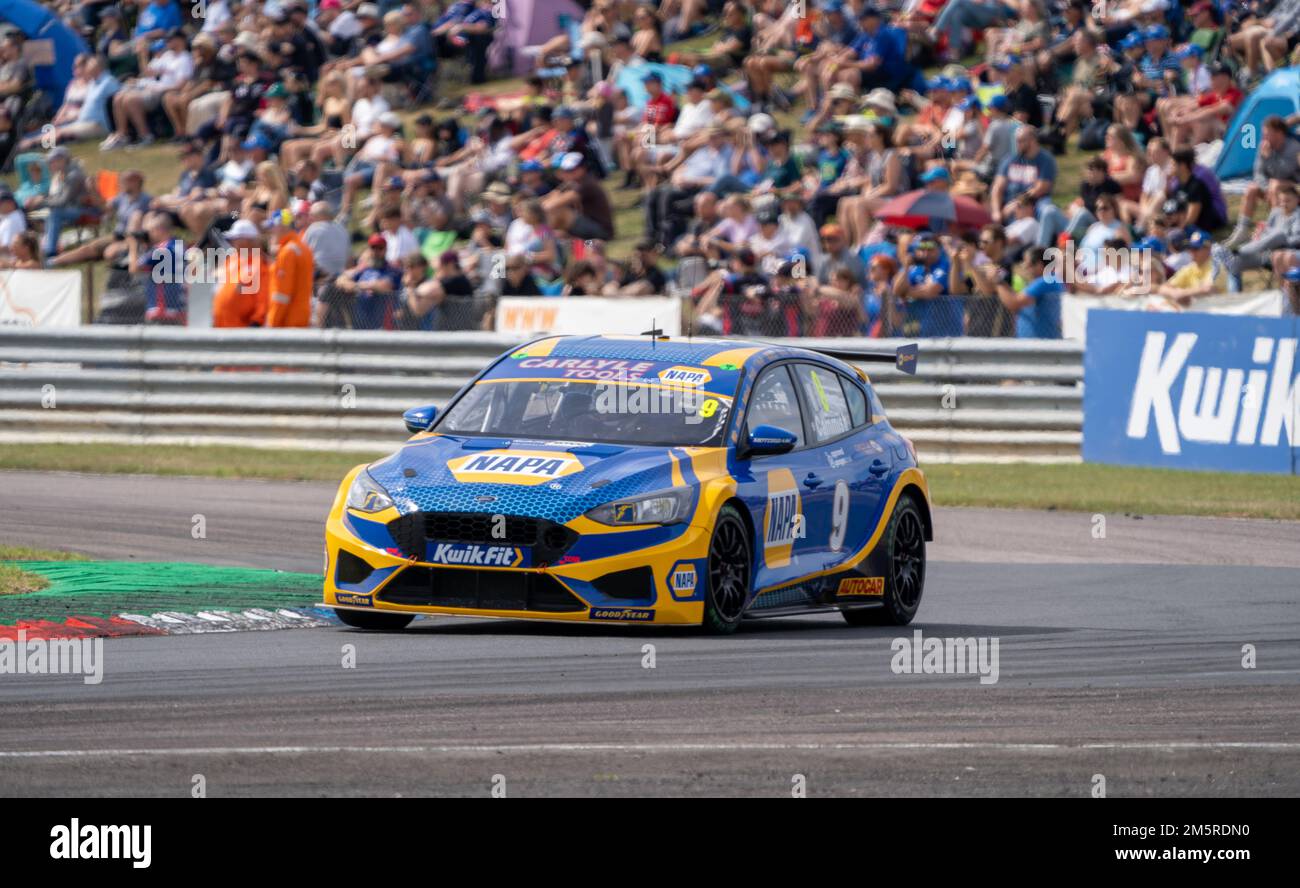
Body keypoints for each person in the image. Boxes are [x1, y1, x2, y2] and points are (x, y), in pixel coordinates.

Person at [212, 219, 270, 327]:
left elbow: (263, 297)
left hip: (241, 329)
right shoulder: (232, 259)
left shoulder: (260, 264)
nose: (232, 242)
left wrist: (256, 321)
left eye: (235, 238)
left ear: (247, 240)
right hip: (221, 326)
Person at [998, 247, 1063, 338]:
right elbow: (1017, 299)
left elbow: (1014, 303)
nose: (1024, 266)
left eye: (1027, 263)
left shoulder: (1045, 281)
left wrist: (997, 282)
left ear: (1039, 265)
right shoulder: (1048, 280)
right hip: (1037, 344)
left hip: (1039, 346)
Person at [267, 209, 314, 327]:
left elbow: (282, 295)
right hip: (301, 317)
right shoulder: (303, 248)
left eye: (272, 226)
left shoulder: (287, 252)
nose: (271, 231)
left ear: (281, 226)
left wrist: (272, 322)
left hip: (287, 321)